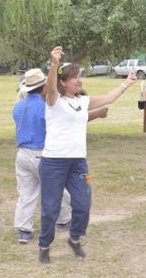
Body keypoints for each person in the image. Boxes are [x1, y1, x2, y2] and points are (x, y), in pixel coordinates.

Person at [37, 46, 137, 264]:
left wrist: (127, 83)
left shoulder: (82, 101)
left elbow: (108, 98)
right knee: (50, 209)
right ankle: (44, 245)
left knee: (83, 204)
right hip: (53, 162)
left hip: (78, 162)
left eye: (79, 76)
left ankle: (74, 238)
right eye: (74, 77)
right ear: (64, 82)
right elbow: (50, 87)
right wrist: (54, 64)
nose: (79, 80)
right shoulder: (53, 101)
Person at [12, 69, 108, 244]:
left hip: (22, 154)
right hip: (44, 153)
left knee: (26, 193)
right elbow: (70, 119)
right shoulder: (47, 104)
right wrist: (97, 114)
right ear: (44, 86)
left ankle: (24, 230)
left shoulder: (19, 106)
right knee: (58, 190)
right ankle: (63, 220)